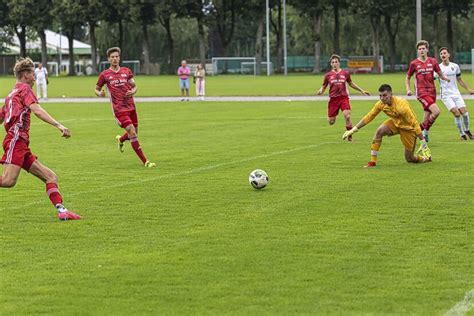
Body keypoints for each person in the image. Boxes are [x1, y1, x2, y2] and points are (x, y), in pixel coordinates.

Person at [0, 57, 81, 220]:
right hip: (16, 140)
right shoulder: (24, 90)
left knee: (50, 176)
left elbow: (1, 117)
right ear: (24, 75)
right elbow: (37, 110)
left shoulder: (11, 94)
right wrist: (59, 125)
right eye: (31, 73)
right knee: (8, 181)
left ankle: (62, 211)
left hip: (20, 143)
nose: (34, 76)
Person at [343, 84, 432, 168]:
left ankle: (426, 159)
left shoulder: (401, 106)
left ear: (391, 95)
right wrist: (353, 130)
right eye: (380, 95)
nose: (382, 98)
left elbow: (415, 123)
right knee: (379, 131)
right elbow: (369, 116)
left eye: (385, 95)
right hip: (395, 123)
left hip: (408, 129)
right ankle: (372, 162)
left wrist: (423, 143)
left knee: (409, 158)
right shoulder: (380, 104)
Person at [95, 47, 156, 168]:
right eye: (112, 57)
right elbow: (96, 89)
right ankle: (145, 161)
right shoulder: (105, 75)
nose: (115, 59)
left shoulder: (126, 71)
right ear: (108, 59)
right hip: (119, 110)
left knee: (134, 134)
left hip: (131, 107)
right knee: (132, 132)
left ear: (119, 57)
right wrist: (100, 93)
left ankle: (121, 139)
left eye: (116, 56)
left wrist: (133, 91)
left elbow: (134, 86)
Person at [317, 54, 370, 141]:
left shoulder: (345, 73)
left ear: (339, 63)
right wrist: (320, 91)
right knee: (331, 122)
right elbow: (323, 87)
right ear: (331, 64)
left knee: (347, 116)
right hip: (333, 100)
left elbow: (351, 83)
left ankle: (349, 135)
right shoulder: (328, 75)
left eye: (336, 62)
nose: (334, 63)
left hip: (343, 98)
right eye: (333, 62)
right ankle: (334, 115)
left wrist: (362, 90)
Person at [405, 40, 449, 142]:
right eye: (419, 49)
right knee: (436, 111)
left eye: (423, 48)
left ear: (427, 49)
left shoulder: (433, 61)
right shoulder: (414, 63)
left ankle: (419, 133)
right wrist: (408, 89)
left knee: (426, 118)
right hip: (421, 93)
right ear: (418, 51)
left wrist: (445, 78)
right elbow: (407, 77)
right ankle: (421, 131)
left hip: (432, 92)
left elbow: (440, 74)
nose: (421, 50)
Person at [437, 47, 474, 140]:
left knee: (465, 113)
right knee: (457, 113)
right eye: (441, 54)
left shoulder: (455, 66)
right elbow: (431, 79)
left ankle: (467, 131)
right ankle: (462, 135)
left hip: (456, 93)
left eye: (444, 53)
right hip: (446, 95)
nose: (443, 55)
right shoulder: (438, 68)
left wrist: (468, 89)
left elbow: (459, 80)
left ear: (448, 55)